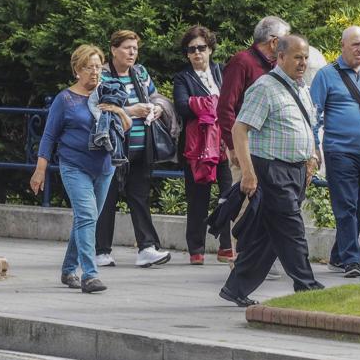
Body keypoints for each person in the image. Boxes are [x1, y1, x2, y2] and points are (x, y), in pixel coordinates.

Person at [219, 35, 324, 307]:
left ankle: (236, 288)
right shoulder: (264, 87)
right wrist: (248, 172)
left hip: (296, 171)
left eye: (305, 57)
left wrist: (311, 159)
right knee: (291, 227)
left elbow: (305, 127)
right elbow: (239, 129)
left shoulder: (301, 88)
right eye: (297, 57)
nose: (302, 63)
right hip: (272, 170)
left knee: (268, 235)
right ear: (281, 57)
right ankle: (307, 285)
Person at [30, 44, 131, 293]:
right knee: (87, 217)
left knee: (87, 219)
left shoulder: (107, 94)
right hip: (74, 165)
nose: (95, 72)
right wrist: (40, 169)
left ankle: (67, 270)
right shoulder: (65, 99)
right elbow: (49, 135)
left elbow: (126, 126)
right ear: (77, 70)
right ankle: (90, 275)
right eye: (89, 67)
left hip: (104, 166)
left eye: (98, 67)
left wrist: (117, 110)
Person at [216, 16, 290, 279]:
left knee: (266, 204)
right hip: (244, 147)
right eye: (286, 39)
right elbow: (225, 108)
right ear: (273, 42)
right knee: (247, 204)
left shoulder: (274, 67)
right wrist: (232, 147)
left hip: (269, 149)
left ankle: (257, 259)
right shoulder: (242, 62)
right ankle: (241, 261)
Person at [310, 26, 360, 278]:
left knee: (359, 208)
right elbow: (313, 116)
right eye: (355, 44)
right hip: (339, 151)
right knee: (346, 207)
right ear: (342, 45)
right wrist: (313, 148)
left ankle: (336, 256)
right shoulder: (326, 75)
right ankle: (352, 261)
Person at [94, 30, 172, 268]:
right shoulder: (103, 75)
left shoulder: (140, 72)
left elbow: (155, 95)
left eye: (135, 49)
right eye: (127, 48)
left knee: (140, 197)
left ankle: (147, 248)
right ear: (113, 49)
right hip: (114, 148)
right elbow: (99, 106)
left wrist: (157, 108)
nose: (132, 53)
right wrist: (130, 110)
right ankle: (101, 251)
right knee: (107, 198)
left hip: (141, 146)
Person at [172, 25, 233, 265]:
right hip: (196, 148)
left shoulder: (221, 71)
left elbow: (232, 102)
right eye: (192, 49)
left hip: (223, 145)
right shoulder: (182, 77)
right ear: (187, 53)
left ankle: (227, 246)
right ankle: (196, 248)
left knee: (229, 195)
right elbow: (182, 106)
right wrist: (213, 103)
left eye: (202, 48)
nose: (197, 53)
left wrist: (204, 104)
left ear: (210, 49)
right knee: (197, 197)